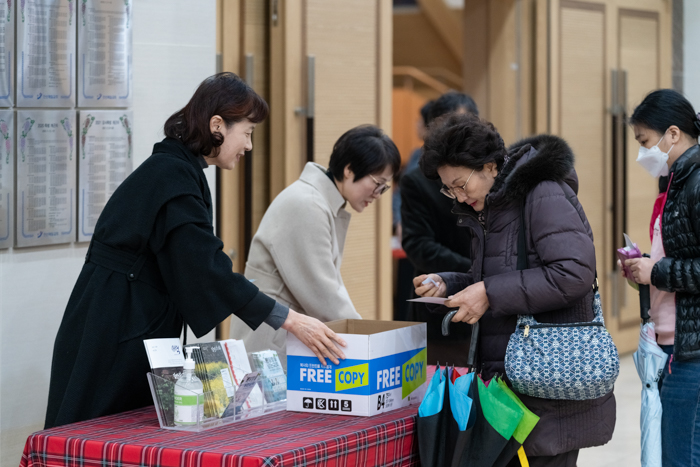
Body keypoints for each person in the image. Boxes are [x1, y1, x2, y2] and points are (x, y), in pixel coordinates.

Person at [44, 73, 346, 429]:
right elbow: (207, 268)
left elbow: (196, 265)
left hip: (124, 315)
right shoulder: (172, 174)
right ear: (217, 125)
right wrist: (289, 318)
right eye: (247, 133)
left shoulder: (178, 169)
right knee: (99, 436)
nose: (249, 146)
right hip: (115, 322)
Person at [413, 113, 615, 466]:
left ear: (490, 166)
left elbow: (572, 273)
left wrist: (489, 292)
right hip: (514, 387)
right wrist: (451, 283)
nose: (458, 197)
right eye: (449, 189)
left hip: (548, 387)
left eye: (461, 184)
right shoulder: (495, 207)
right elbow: (505, 274)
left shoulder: (543, 194)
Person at [230, 125, 400, 368]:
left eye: (385, 188)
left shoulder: (318, 201)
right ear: (349, 170)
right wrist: (370, 338)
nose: (378, 194)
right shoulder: (307, 205)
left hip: (280, 340)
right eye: (378, 183)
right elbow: (323, 294)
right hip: (270, 346)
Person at [622, 89, 700, 467]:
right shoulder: (674, 184)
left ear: (672, 134)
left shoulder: (696, 183)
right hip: (673, 343)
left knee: (681, 456)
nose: (642, 154)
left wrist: (658, 270)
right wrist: (645, 270)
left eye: (645, 142)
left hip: (693, 349)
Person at [399, 91, 477, 365]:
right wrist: (475, 272)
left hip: (491, 308)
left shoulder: (488, 176)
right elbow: (419, 245)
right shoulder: (417, 181)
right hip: (441, 311)